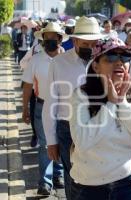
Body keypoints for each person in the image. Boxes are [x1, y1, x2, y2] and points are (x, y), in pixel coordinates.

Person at [69, 37, 131, 199]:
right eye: (111, 57)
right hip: (88, 187)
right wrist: (111, 104)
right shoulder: (81, 95)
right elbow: (82, 142)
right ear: (96, 66)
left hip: (128, 185)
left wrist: (122, 104)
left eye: (125, 57)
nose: (119, 62)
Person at [42, 16, 102, 199]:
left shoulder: (104, 60)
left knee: (97, 177)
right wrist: (51, 140)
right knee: (73, 177)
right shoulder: (58, 64)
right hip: (67, 129)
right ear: (75, 40)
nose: (90, 48)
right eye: (86, 43)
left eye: (94, 43)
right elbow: (50, 103)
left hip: (99, 126)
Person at [21, 22, 68, 195]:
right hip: (41, 106)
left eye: (53, 38)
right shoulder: (36, 60)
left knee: (62, 142)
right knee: (45, 143)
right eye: (46, 38)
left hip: (64, 107)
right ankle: (45, 182)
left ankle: (59, 175)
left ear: (60, 39)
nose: (49, 41)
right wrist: (25, 108)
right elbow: (27, 86)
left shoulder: (69, 59)